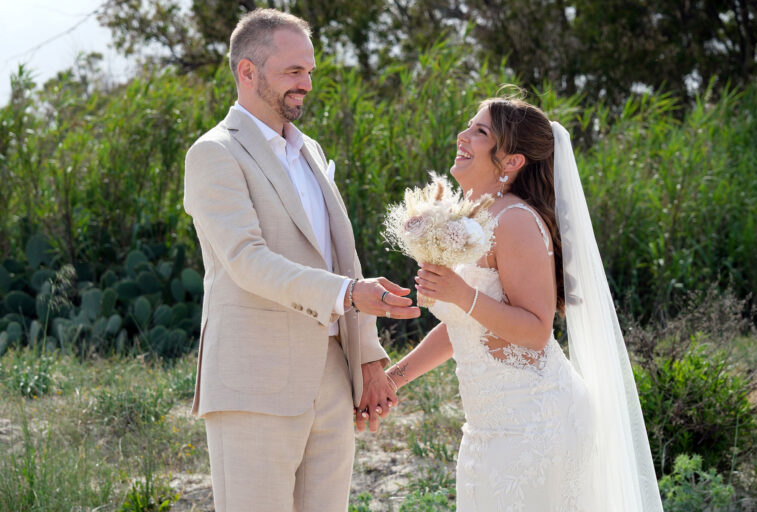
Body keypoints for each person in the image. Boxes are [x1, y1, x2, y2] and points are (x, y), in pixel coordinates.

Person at [183, 9, 419, 512]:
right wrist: (350, 294)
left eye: (309, 71)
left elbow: (341, 256)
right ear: (248, 72)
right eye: (293, 71)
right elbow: (247, 260)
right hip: (254, 385)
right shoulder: (214, 153)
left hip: (332, 382)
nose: (306, 83)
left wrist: (368, 357)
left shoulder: (309, 149)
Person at [385, 96, 663, 511]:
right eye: (469, 125)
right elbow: (466, 324)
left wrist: (461, 294)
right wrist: (394, 378)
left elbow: (535, 331)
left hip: (535, 424)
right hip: (489, 427)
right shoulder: (473, 221)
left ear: (512, 161)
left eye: (480, 132)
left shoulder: (514, 219)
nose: (463, 136)